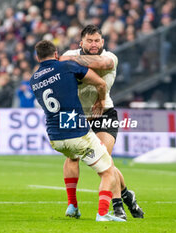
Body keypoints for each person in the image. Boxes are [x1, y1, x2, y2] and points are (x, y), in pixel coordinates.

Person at [30, 40, 125, 222]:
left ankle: (72, 206)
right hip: (77, 132)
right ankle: (103, 214)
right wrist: (101, 100)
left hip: (55, 137)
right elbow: (100, 83)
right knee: (108, 170)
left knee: (72, 157)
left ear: (37, 57)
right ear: (56, 54)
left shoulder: (33, 79)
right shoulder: (67, 66)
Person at [59, 25, 144, 220]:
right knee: (72, 157)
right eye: (89, 40)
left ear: (103, 42)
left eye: (97, 40)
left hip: (104, 113)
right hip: (77, 114)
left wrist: (69, 61)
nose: (94, 44)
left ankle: (117, 206)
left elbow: (103, 64)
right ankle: (74, 204)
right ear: (81, 42)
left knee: (104, 159)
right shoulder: (69, 53)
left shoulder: (110, 57)